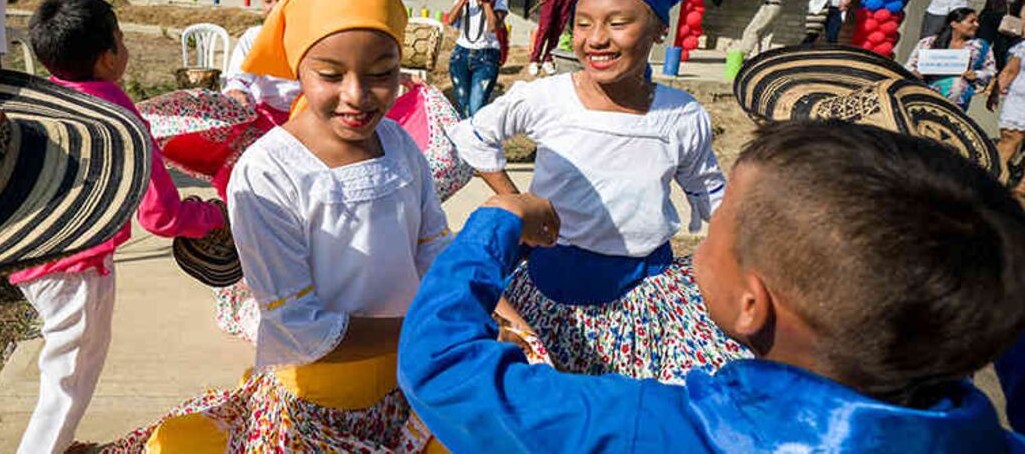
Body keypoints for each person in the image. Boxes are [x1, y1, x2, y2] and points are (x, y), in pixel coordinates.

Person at [398, 122, 1025, 452]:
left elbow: (442, 367)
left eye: (721, 223)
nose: (705, 222)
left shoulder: (659, 430)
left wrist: (494, 223)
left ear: (751, 304)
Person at [101, 0, 452, 452]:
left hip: (407, 384)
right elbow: (302, 331)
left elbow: (434, 247)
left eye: (381, 74)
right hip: (314, 403)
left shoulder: (397, 143)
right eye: (331, 74)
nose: (356, 95)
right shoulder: (267, 173)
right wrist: (425, 330)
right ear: (297, 71)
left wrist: (476, 305)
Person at [448, 0, 745, 382]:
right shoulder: (545, 97)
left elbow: (712, 195)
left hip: (645, 302)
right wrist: (517, 203)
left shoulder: (681, 115)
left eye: (618, 23)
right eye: (583, 23)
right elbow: (473, 135)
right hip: (549, 294)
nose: (596, 39)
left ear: (660, 28)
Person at [12, 0, 225, 454]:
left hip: (32, 256)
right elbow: (161, 215)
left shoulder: (44, 100)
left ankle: (61, 443)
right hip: (76, 269)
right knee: (69, 378)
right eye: (122, 39)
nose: (125, 48)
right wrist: (211, 216)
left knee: (71, 364)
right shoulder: (120, 117)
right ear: (108, 57)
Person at [223, 0, 303, 112]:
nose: (274, 7)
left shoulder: (310, 36)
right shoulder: (254, 36)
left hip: (304, 114)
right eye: (268, 1)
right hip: (265, 112)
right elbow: (240, 74)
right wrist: (237, 90)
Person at [444, 0, 509, 118]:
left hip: (486, 56)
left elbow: (493, 27)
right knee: (464, 108)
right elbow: (450, 21)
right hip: (461, 54)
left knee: (476, 109)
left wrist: (485, 1)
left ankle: (474, 140)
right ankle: (465, 141)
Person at [905, 7, 996, 111]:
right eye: (972, 21)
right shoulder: (928, 43)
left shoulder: (980, 46)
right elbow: (908, 66)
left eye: (977, 21)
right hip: (926, 95)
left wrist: (976, 74)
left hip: (957, 102)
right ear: (954, 24)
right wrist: (915, 72)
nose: (977, 25)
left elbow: (991, 71)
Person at [991, 39, 1025, 205]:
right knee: (1009, 139)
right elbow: (1010, 70)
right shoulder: (1023, 47)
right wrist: (996, 91)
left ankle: (1022, 190)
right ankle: (992, 178)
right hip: (1019, 99)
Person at [978, 0, 1025, 70]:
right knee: (981, 47)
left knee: (1001, 52)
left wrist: (1023, 26)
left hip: (1009, 23)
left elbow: (1023, 9)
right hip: (988, 21)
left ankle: (996, 77)